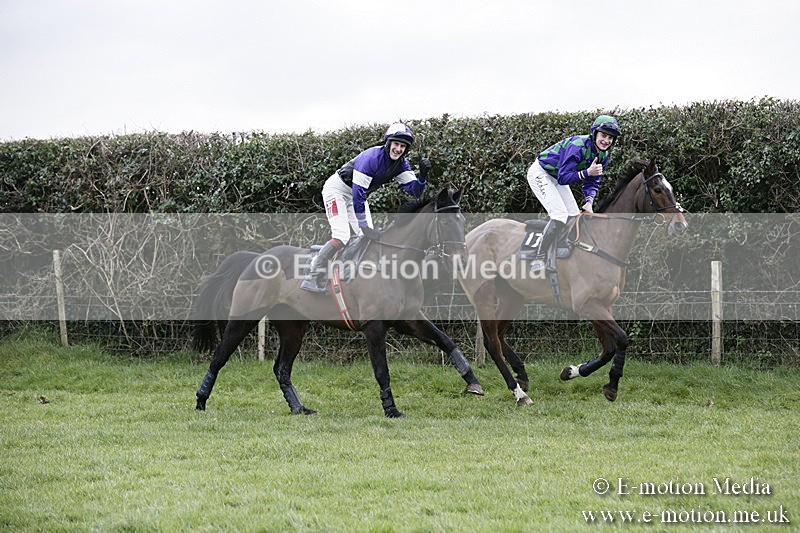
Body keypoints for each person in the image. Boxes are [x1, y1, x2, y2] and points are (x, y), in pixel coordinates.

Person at [301, 122, 431, 292]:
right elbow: (358, 196)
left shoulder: (400, 165)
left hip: (355, 196)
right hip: (337, 190)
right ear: (388, 143)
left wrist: (422, 176)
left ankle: (350, 276)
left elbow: (414, 192)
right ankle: (312, 275)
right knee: (342, 236)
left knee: (367, 238)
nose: (398, 149)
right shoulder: (371, 159)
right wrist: (363, 225)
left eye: (402, 146)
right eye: (396, 144)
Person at [525, 115, 622, 270]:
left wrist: (589, 201)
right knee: (560, 215)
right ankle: (539, 258)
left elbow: (592, 181)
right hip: (541, 173)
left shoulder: (603, 155)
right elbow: (564, 178)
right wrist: (587, 172)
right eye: (604, 135)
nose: (606, 140)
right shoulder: (577, 146)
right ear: (595, 133)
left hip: (556, 176)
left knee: (574, 215)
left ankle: (559, 253)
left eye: (610, 137)